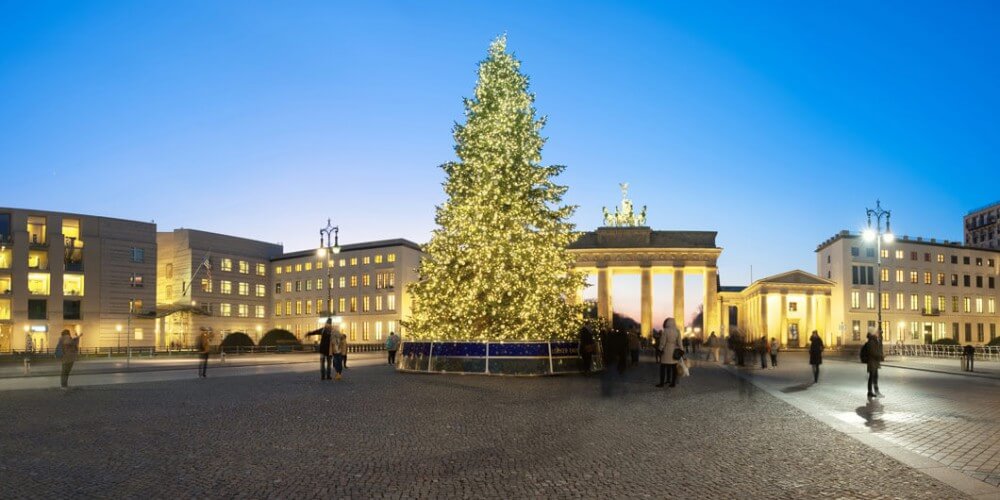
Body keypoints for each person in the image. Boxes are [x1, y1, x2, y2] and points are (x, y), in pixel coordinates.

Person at [656, 318, 684, 388]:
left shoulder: (665, 331)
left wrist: (660, 349)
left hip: (666, 351)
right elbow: (680, 342)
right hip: (674, 351)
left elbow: (662, 342)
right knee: (673, 368)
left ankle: (662, 383)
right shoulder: (677, 331)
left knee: (663, 368)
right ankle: (672, 383)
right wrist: (681, 350)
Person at [860, 332, 884, 398]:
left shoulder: (874, 341)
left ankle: (872, 391)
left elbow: (876, 350)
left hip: (874, 362)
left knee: (873, 377)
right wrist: (880, 355)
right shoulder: (871, 342)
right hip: (872, 362)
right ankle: (872, 392)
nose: (877, 334)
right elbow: (873, 352)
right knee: (873, 377)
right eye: (876, 333)